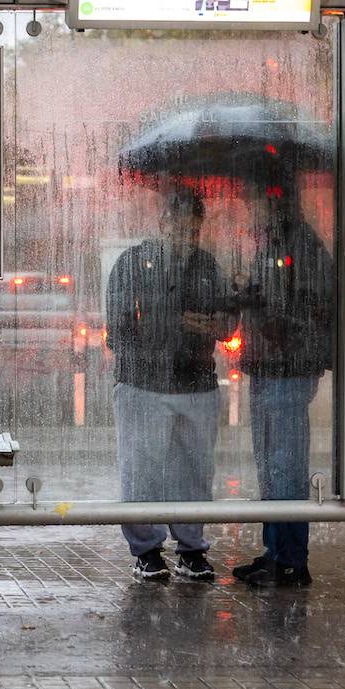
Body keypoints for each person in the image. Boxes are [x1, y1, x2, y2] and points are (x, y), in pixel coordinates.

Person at [106, 188, 231, 582]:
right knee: (141, 471)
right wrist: (178, 323)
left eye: (193, 231)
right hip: (143, 384)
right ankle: (146, 550)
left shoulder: (207, 265)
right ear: (162, 223)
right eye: (179, 228)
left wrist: (224, 320)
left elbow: (227, 325)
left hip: (196, 382)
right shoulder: (132, 264)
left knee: (194, 471)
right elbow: (119, 329)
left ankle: (191, 548)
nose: (186, 238)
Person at [232, 155, 334, 588]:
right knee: (271, 468)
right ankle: (277, 552)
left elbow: (311, 309)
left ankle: (291, 560)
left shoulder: (299, 245)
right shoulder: (274, 242)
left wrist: (264, 310)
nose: (247, 205)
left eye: (253, 197)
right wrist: (250, 293)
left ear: (273, 197)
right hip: (268, 367)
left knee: (285, 468)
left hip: (286, 370)